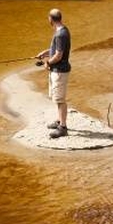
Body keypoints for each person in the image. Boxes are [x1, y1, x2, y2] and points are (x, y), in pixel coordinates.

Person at [35, 8, 71, 138]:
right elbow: (55, 50)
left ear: (51, 19)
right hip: (57, 70)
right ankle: (59, 120)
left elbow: (59, 55)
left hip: (60, 71)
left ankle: (63, 127)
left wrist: (48, 62)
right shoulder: (62, 30)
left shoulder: (61, 34)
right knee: (57, 98)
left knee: (60, 99)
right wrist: (44, 53)